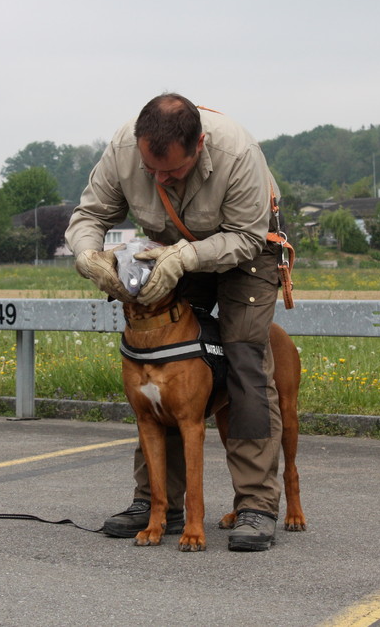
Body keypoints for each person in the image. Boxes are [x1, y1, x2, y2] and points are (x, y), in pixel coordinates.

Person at [65, 93, 286, 552]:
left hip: (246, 253)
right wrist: (87, 254)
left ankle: (256, 506)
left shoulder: (238, 153)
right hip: (172, 255)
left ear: (199, 145)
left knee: (244, 360)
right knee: (162, 363)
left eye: (173, 173)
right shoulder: (125, 147)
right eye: (152, 172)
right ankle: (156, 504)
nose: (161, 180)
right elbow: (90, 215)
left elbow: (245, 238)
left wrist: (188, 255)